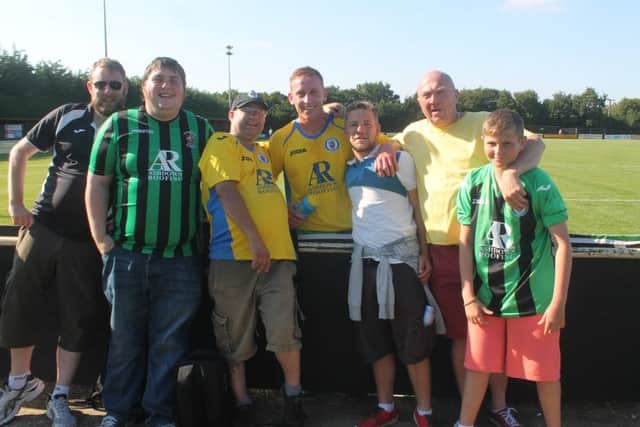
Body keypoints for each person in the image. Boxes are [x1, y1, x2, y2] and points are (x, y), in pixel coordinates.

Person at [386, 70, 545, 427]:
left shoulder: (481, 122)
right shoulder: (413, 132)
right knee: (463, 334)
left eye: (440, 92)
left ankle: (499, 405)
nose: (433, 100)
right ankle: (468, 411)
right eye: (425, 94)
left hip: (493, 248)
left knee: (497, 331)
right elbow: (382, 142)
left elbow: (536, 143)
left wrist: (510, 173)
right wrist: (385, 148)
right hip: (444, 250)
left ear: (457, 94)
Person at [85, 57, 213, 427]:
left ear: (184, 90)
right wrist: (101, 238)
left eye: (174, 80)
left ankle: (160, 415)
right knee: (124, 340)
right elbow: (97, 183)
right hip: (127, 255)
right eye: (158, 79)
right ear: (143, 88)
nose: (166, 86)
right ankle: (119, 413)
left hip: (181, 258)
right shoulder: (118, 125)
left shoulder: (200, 129)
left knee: (169, 343)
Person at [0, 58, 127, 427]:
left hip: (90, 240)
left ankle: (60, 396)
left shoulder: (131, 126)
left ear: (125, 90)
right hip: (43, 227)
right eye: (101, 84)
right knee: (19, 301)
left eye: (115, 85)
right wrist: (15, 204)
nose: (107, 91)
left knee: (77, 317)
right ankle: (19, 383)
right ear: (90, 87)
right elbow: (20, 152)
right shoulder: (67, 115)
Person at [453, 109, 572, 427]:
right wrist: (467, 295)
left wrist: (558, 303)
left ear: (522, 143)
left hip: (534, 301)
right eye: (491, 143)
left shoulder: (539, 183)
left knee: (545, 373)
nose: (498, 151)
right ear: (483, 142)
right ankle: (465, 423)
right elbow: (464, 244)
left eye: (507, 144)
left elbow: (563, 245)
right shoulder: (473, 182)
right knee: (478, 367)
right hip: (484, 299)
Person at [199, 92, 304, 427]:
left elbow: (261, 193)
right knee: (234, 335)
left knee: (284, 329)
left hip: (279, 257)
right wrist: (256, 240)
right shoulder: (221, 143)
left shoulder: (261, 153)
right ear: (232, 114)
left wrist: (281, 212)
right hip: (234, 256)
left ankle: (293, 396)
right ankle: (242, 402)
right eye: (248, 112)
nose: (255, 118)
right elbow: (227, 192)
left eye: (260, 114)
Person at [344, 101, 440, 427]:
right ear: (345, 130)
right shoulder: (348, 168)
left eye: (367, 123)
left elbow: (418, 208)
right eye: (353, 124)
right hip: (366, 266)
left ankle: (424, 412)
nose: (360, 129)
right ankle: (387, 407)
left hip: (402, 265)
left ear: (378, 125)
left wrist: (424, 252)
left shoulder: (399, 159)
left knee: (413, 341)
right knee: (376, 342)